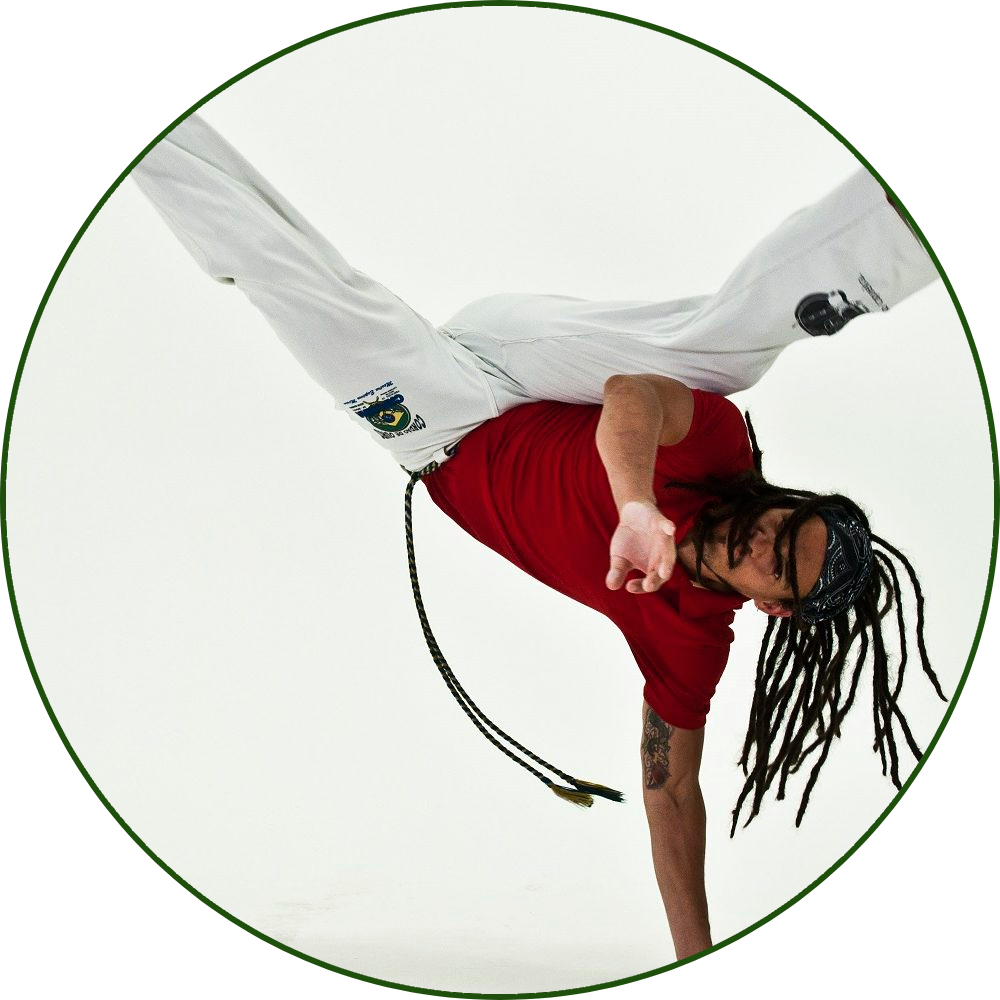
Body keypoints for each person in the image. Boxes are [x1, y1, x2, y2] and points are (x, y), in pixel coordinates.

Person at [131, 113, 945, 959]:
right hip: (544, 362)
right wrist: (637, 506)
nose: (763, 545)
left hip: (442, 422)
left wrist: (692, 954)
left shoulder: (690, 643)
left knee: (289, 276)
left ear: (773, 607)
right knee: (731, 357)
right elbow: (631, 394)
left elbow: (671, 793)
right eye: (785, 527)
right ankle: (891, 230)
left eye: (780, 569)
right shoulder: (718, 449)